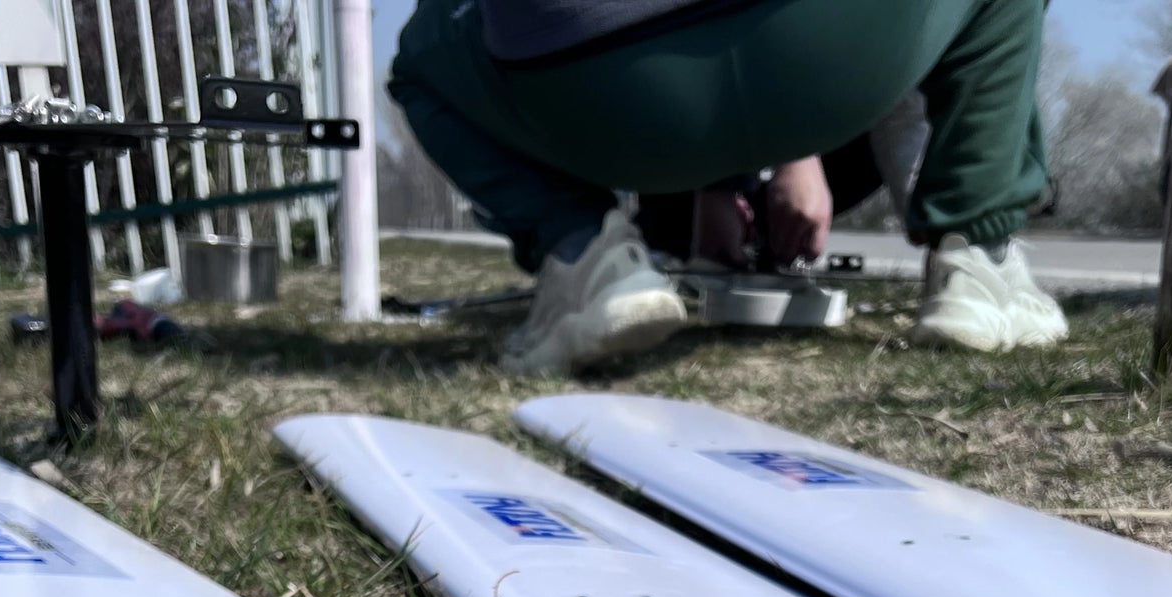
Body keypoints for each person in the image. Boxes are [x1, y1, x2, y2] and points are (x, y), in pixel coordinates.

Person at [388, 0, 1068, 373]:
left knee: (421, 63)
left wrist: (753, 167)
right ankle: (976, 257)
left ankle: (583, 253)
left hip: (597, 92)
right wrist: (777, 154)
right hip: (839, 50)